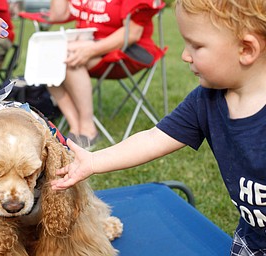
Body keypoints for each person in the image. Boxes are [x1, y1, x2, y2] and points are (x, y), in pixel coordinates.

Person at [51, 0, 266, 254]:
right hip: (252, 241)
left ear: (246, 49)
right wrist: (93, 161)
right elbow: (154, 138)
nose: (185, 55)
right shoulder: (205, 101)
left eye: (196, 46)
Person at [47, 0, 163, 149]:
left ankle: (89, 130)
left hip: (128, 49)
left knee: (66, 56)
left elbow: (133, 33)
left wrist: (90, 50)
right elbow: (57, 16)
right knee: (47, 56)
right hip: (88, 43)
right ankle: (75, 126)